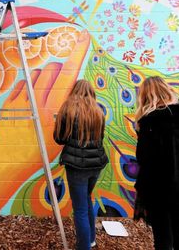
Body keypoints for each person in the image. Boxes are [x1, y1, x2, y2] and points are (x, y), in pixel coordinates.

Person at [134, 76, 179, 250]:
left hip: (158, 190)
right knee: (177, 233)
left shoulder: (149, 121)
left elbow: (143, 157)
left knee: (162, 237)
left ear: (145, 97)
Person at [53, 80, 108, 250]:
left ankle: (84, 247)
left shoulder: (67, 109)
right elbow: (101, 138)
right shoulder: (98, 111)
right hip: (96, 165)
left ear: (74, 90)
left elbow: (59, 139)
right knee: (86, 200)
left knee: (80, 209)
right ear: (91, 92)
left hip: (76, 167)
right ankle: (90, 240)